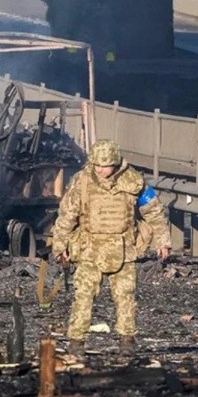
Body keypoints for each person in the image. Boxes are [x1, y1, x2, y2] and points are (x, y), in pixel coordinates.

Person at [51, 140, 171, 357]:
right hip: (89, 249)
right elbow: (67, 215)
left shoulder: (133, 181)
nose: (99, 169)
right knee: (84, 296)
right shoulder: (82, 182)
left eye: (104, 165)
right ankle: (76, 343)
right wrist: (59, 245)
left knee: (125, 296)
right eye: (96, 164)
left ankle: (127, 342)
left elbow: (154, 211)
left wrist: (162, 241)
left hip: (123, 249)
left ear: (115, 164)